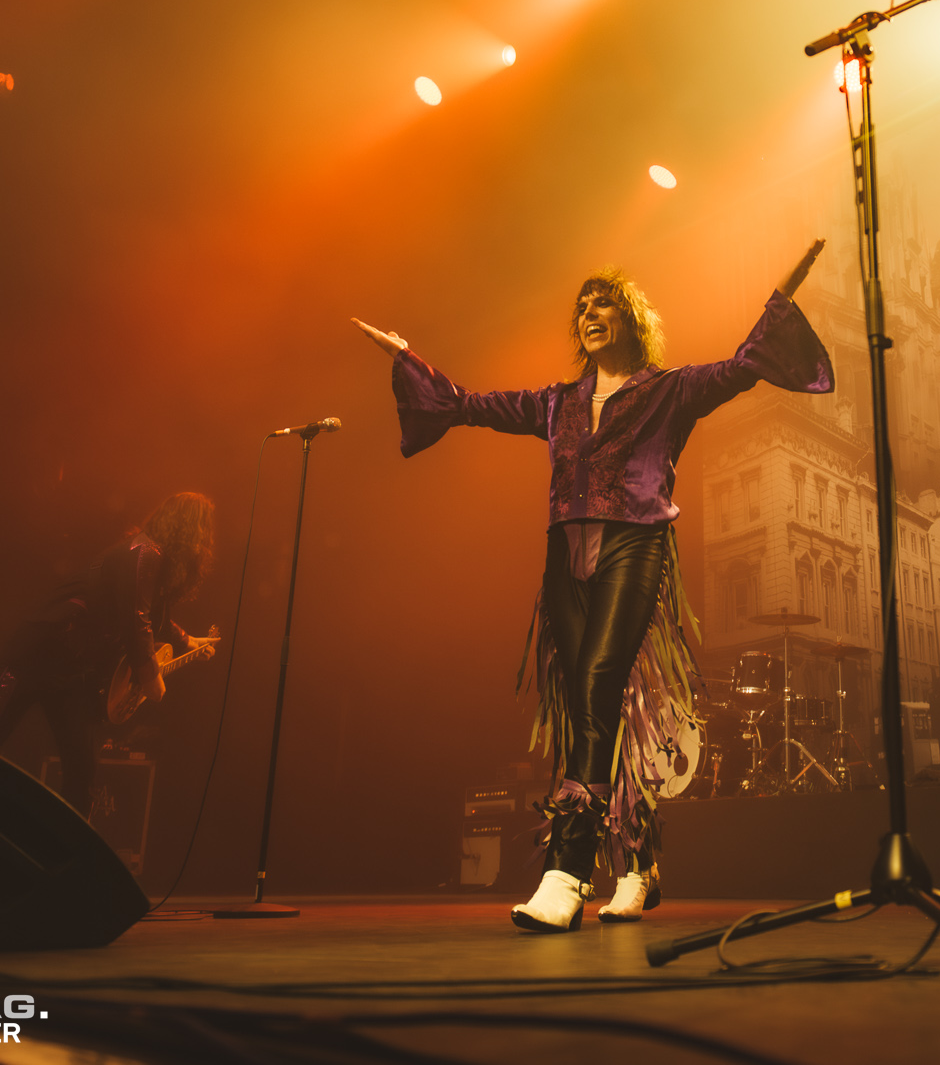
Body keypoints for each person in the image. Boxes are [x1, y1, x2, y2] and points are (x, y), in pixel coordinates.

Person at [355, 242, 831, 932]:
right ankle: (638, 864)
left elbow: (741, 367)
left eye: (601, 301)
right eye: (580, 306)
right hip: (565, 552)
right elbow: (467, 403)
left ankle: (568, 869)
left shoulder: (669, 391)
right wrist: (406, 356)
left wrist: (780, 302)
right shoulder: (557, 404)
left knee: (604, 678)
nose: (587, 312)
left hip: (634, 543)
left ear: (629, 316)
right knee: (590, 704)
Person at [0, 492, 216, 815]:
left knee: (82, 771)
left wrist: (189, 642)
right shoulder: (144, 553)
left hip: (72, 674)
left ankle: (64, 855)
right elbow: (137, 620)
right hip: (35, 658)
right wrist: (150, 676)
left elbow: (154, 615)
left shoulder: (150, 558)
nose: (205, 541)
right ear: (189, 529)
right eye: (203, 530)